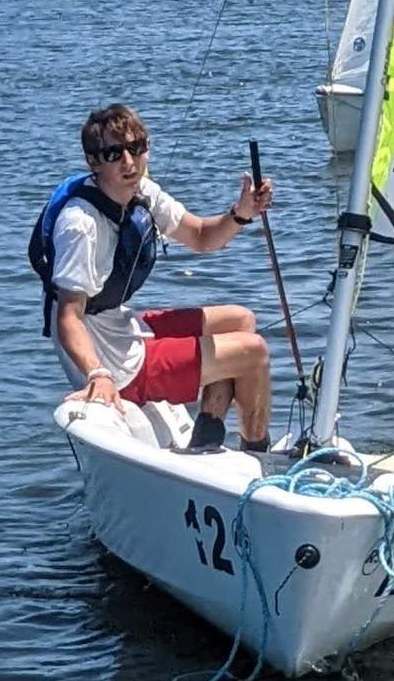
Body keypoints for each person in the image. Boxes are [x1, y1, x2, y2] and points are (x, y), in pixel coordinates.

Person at [32, 103, 274, 455]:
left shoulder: (142, 192)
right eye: (114, 153)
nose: (129, 162)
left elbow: (203, 236)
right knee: (254, 352)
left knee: (241, 319)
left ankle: (205, 438)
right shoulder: (81, 224)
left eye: (137, 147)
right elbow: (68, 316)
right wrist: (97, 374)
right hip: (114, 363)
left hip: (121, 328)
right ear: (93, 162)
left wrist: (242, 213)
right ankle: (259, 457)